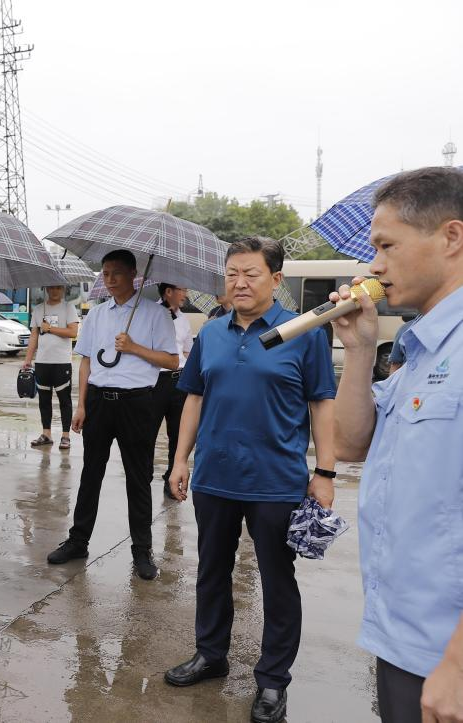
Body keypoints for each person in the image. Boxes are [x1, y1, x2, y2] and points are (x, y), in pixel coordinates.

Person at [163, 236, 337, 723]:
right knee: (211, 571)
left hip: (277, 480)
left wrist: (324, 471)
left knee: (278, 581)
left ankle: (272, 682)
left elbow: (322, 402)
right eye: (231, 273)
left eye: (251, 274)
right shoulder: (212, 332)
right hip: (215, 475)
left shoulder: (305, 332)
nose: (239, 283)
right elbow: (193, 398)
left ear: (276, 280)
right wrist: (180, 460)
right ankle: (211, 654)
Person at [331, 167, 463, 723]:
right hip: (403, 637)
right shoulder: (422, 348)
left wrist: (457, 661)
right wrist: (360, 349)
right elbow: (349, 441)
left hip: (448, 655)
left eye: (387, 246)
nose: (375, 266)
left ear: (452, 237)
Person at [46, 249, 178, 580]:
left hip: (137, 403)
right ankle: (78, 541)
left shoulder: (154, 314)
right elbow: (86, 360)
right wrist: (81, 404)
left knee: (139, 477)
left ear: (134, 274)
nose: (109, 278)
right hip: (100, 403)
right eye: (105, 272)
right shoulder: (97, 315)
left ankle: (141, 550)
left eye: (117, 272)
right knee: (91, 474)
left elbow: (172, 361)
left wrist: (134, 348)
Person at [21, 284, 80, 450]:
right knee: (44, 400)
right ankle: (46, 434)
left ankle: (65, 436)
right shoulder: (39, 309)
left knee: (64, 400)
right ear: (46, 289)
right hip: (42, 362)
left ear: (63, 290)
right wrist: (28, 358)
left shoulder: (69, 308)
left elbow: (73, 332)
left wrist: (50, 328)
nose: (55, 291)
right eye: (51, 288)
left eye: (58, 288)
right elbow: (34, 335)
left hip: (61, 362)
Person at [152, 283, 194, 500]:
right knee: (148, 432)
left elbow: (187, 350)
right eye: (182, 289)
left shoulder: (184, 319)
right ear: (168, 292)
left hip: (179, 381)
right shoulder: (149, 314)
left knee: (177, 434)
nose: (185, 294)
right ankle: (143, 477)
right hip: (155, 381)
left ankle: (171, 476)